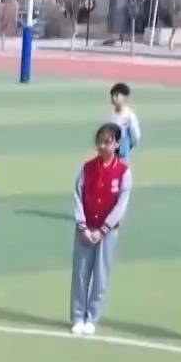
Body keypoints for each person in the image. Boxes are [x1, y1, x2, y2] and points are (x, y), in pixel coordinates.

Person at [70, 122, 130, 335]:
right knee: (80, 275)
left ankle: (91, 317)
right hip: (85, 230)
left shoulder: (123, 172)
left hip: (107, 233)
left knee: (100, 276)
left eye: (108, 142)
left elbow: (121, 204)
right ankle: (78, 316)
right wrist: (83, 226)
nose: (103, 146)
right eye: (100, 142)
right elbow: (77, 196)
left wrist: (104, 229)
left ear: (117, 144)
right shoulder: (87, 168)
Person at [107, 82, 140, 159]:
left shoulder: (129, 116)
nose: (113, 98)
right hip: (109, 153)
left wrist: (128, 147)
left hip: (123, 153)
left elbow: (135, 135)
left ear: (125, 97)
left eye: (116, 96)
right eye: (112, 96)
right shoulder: (108, 117)